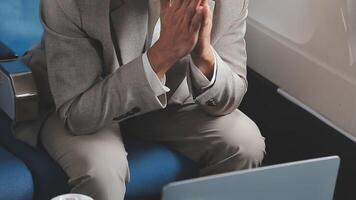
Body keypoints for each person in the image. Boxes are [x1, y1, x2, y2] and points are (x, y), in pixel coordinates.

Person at [20, 0, 265, 199]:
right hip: (79, 100)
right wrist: (163, 54)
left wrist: (204, 55)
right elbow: (78, 114)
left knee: (244, 141)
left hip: (168, 101)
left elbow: (230, 97)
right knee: (102, 173)